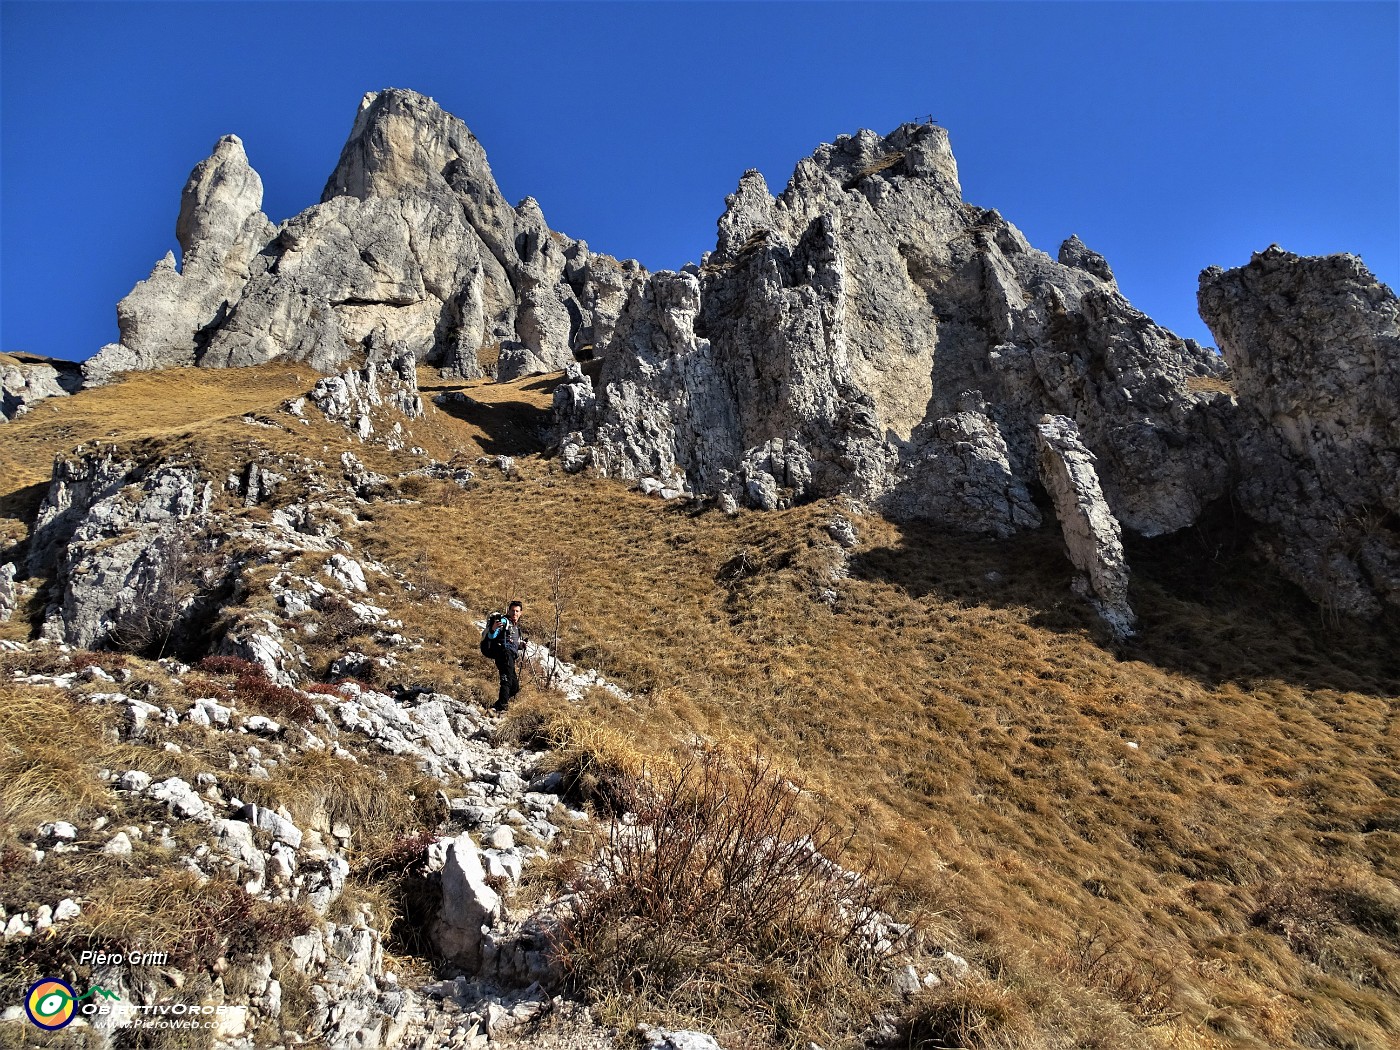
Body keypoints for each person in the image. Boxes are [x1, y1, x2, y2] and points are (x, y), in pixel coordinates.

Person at [494, 600, 525, 710]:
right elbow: (494, 633)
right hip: (504, 653)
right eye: (512, 610)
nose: (514, 613)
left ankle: (497, 706)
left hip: (511, 656)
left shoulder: (516, 628)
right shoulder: (504, 621)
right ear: (508, 611)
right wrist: (494, 628)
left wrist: (521, 645)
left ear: (521, 613)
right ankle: (502, 708)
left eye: (517, 611)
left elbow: (513, 643)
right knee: (506, 681)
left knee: (515, 687)